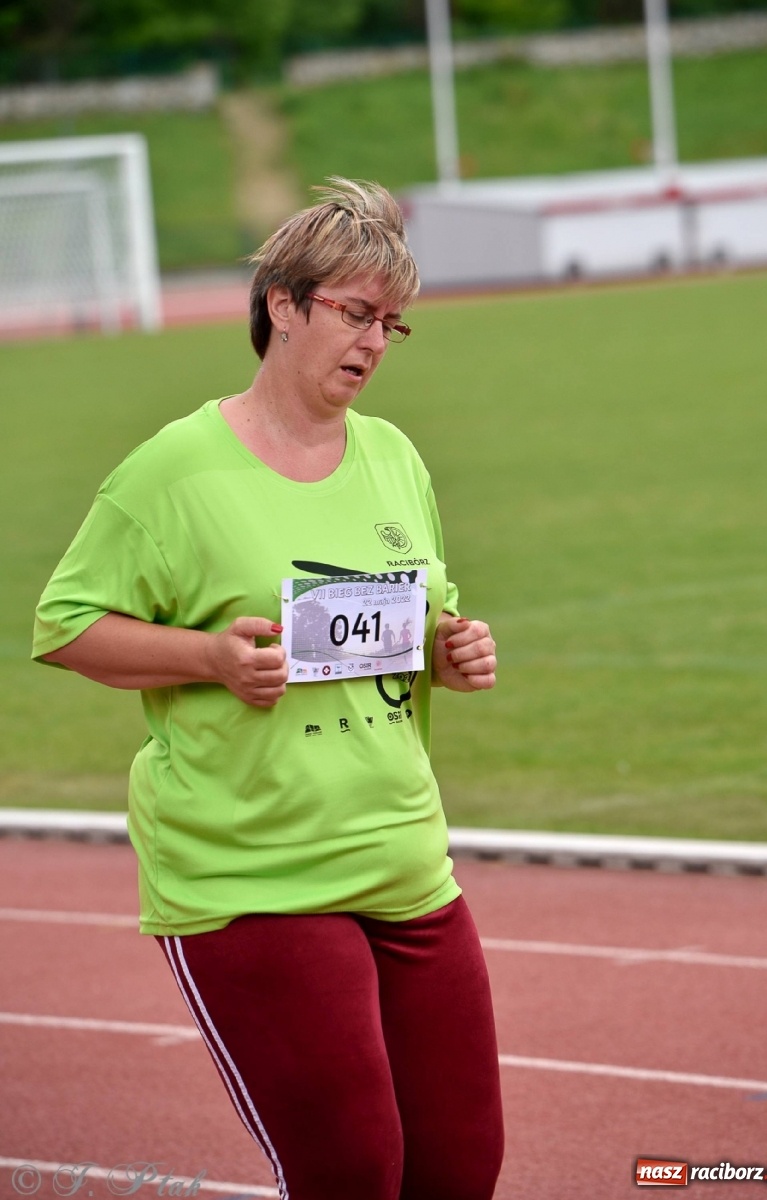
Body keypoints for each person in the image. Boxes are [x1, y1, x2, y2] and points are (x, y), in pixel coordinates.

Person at [32, 178, 504, 1200]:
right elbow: (65, 630)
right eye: (354, 312)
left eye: (392, 323)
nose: (375, 341)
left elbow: (421, 618)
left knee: (461, 1172)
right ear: (283, 305)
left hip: (405, 860)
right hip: (252, 878)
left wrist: (453, 651)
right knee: (353, 1174)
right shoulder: (176, 471)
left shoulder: (394, 459)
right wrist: (211, 659)